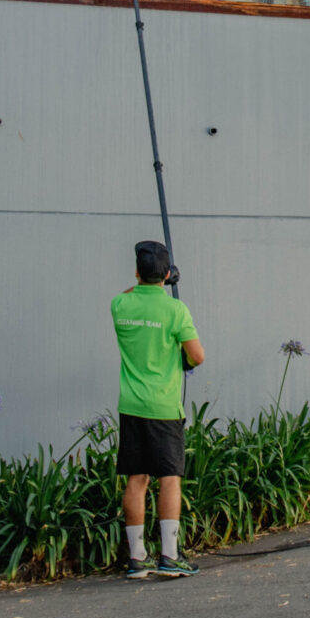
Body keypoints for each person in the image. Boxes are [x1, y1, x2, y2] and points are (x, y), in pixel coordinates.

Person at [111, 240, 205, 578]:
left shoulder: (119, 305)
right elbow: (197, 356)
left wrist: (150, 283)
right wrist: (166, 286)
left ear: (137, 273)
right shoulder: (175, 311)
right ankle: (169, 555)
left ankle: (137, 558)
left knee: (137, 478)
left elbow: (129, 292)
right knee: (169, 478)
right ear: (166, 274)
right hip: (164, 407)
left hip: (131, 405)